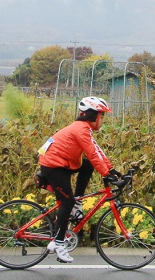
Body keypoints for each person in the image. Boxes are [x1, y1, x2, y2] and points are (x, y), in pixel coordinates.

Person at [37, 96, 120, 263]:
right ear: (93, 115)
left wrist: (111, 170)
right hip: (54, 166)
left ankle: (77, 203)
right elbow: (91, 153)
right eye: (102, 116)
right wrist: (105, 174)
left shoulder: (83, 128)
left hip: (62, 164)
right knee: (66, 202)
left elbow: (96, 151)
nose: (103, 120)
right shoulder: (81, 129)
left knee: (87, 166)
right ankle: (59, 243)